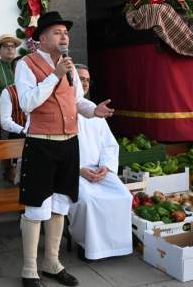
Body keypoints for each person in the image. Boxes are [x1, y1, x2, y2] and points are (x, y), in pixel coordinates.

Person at [15, 11, 114, 287]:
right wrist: (53, 76)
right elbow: (27, 103)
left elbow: (77, 101)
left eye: (66, 33)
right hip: (41, 144)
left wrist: (94, 110)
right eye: (57, 33)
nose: (64, 37)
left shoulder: (69, 66)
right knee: (36, 208)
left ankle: (52, 262)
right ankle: (29, 269)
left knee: (60, 205)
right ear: (42, 37)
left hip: (68, 143)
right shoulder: (26, 64)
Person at [68, 65, 132, 262]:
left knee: (123, 196)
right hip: (71, 171)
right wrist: (79, 170)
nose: (85, 83)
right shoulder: (61, 108)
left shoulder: (94, 110)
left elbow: (109, 144)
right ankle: (87, 246)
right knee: (87, 201)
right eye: (80, 78)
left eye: (87, 80)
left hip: (98, 170)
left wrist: (106, 166)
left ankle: (115, 246)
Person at [0, 56, 26, 138]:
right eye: (18, 68)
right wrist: (24, 130)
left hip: (40, 133)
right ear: (13, 72)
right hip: (19, 134)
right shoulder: (8, 92)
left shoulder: (37, 88)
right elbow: (5, 122)